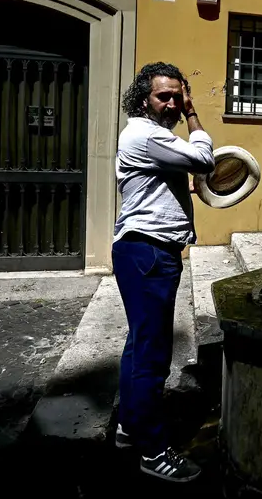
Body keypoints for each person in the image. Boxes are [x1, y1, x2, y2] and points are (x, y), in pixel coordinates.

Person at [112, 62, 215, 483]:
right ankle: (153, 450)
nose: (172, 103)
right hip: (149, 254)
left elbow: (170, 174)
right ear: (144, 99)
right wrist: (194, 114)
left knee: (139, 345)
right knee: (152, 356)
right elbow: (204, 159)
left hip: (141, 251)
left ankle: (128, 425)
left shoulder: (151, 136)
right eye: (165, 96)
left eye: (178, 95)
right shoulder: (146, 133)